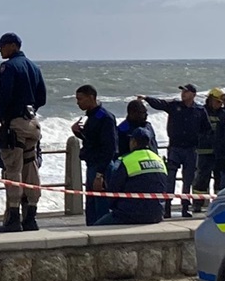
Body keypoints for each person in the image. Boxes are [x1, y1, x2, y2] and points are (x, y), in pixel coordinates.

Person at [0, 32, 47, 233]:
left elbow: (4, 94)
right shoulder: (34, 66)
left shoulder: (9, 66)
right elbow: (42, 96)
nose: (0, 51)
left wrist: (3, 118)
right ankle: (31, 217)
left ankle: (13, 218)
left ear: (13, 46)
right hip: (32, 121)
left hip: (15, 122)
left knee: (13, 168)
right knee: (31, 168)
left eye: (2, 47)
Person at [138, 84, 211, 219]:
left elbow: (206, 129)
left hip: (190, 149)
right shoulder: (174, 106)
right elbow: (160, 104)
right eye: (182, 91)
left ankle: (185, 207)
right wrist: (147, 98)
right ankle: (167, 208)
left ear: (193, 94)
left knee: (187, 180)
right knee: (170, 179)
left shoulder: (199, 110)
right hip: (175, 148)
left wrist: (196, 138)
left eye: (186, 91)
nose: (183, 93)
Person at [94, 128, 168, 225]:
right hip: (157, 214)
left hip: (130, 214)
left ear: (133, 142)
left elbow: (114, 191)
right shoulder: (159, 160)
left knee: (97, 227)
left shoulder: (126, 160)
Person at [71, 85, 117, 226]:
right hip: (91, 164)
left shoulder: (104, 117)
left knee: (101, 206)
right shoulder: (90, 116)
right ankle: (91, 228)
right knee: (91, 205)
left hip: (101, 166)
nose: (78, 102)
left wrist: (100, 174)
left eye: (80, 99)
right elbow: (92, 140)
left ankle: (101, 234)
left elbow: (109, 148)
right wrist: (78, 132)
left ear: (91, 97)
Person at [192, 89, 223, 211]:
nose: (219, 105)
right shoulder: (201, 111)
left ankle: (218, 205)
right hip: (204, 152)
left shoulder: (223, 113)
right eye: (217, 101)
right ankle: (197, 204)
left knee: (219, 181)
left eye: (221, 102)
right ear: (210, 99)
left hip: (218, 153)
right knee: (201, 180)